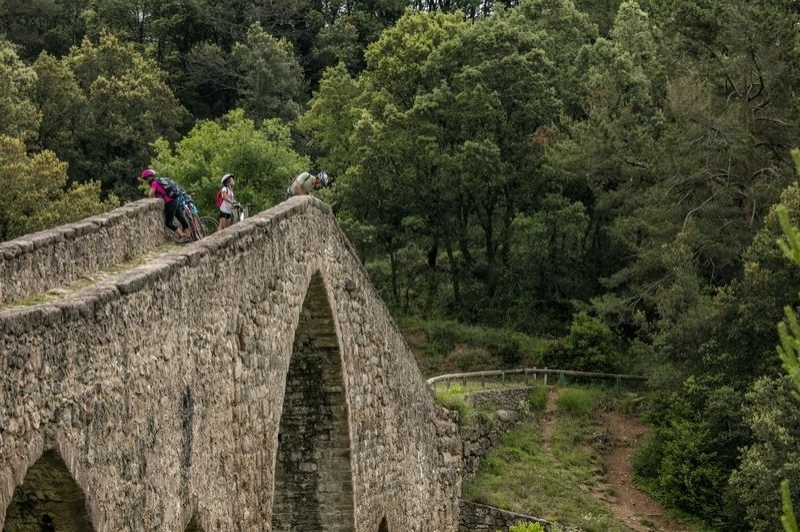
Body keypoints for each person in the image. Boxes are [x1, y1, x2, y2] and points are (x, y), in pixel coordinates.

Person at [139, 168, 192, 243]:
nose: (146, 180)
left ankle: (182, 236)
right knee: (182, 219)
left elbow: (150, 195)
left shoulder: (154, 183)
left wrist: (152, 191)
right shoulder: (160, 181)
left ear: (149, 177)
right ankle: (188, 236)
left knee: (169, 223)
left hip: (170, 203)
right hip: (175, 200)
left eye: (146, 178)